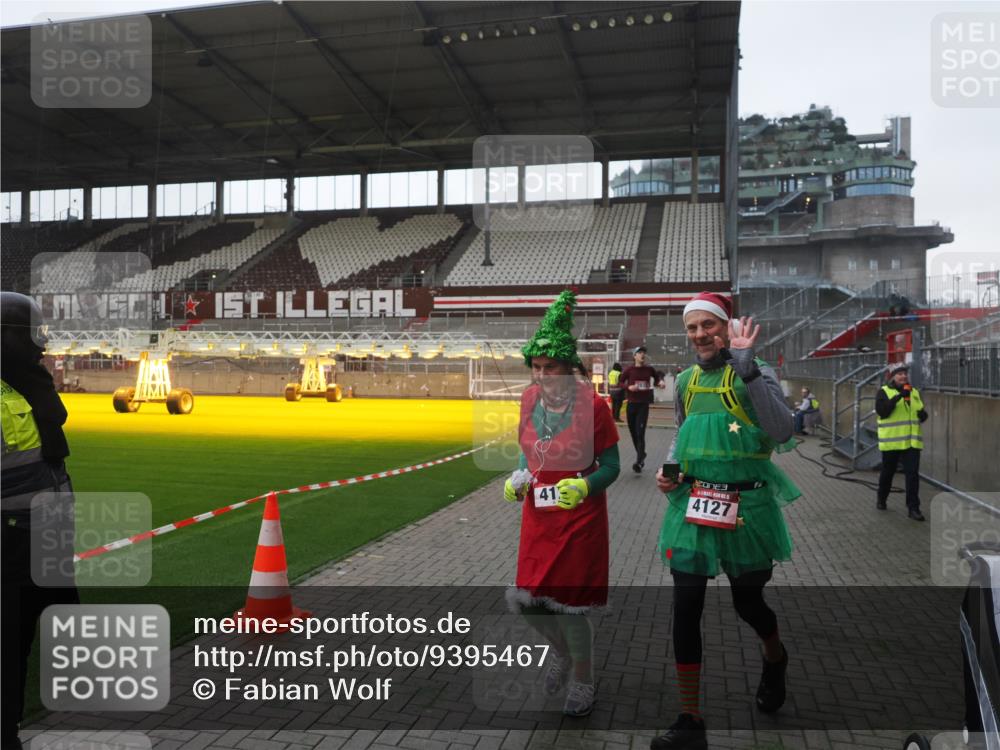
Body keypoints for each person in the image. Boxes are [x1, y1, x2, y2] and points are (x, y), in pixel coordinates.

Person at [649, 292, 800, 750]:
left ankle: (775, 658)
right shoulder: (687, 381)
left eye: (708, 325)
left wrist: (749, 367)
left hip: (748, 512)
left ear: (725, 326)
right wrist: (669, 472)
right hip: (695, 505)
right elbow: (682, 432)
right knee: (685, 605)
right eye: (692, 327)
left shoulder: (756, 372)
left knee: (748, 604)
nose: (700, 334)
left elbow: (783, 430)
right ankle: (690, 719)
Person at [503, 290, 620, 717]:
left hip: (579, 521)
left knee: (571, 609)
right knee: (531, 603)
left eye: (549, 367)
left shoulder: (595, 406)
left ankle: (584, 679)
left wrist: (585, 487)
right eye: (535, 367)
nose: (541, 375)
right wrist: (517, 477)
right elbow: (526, 449)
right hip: (538, 517)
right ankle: (561, 652)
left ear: (569, 367)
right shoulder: (529, 400)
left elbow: (612, 467)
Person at [1, 292, 79, 750]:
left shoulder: (29, 390)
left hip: (45, 544)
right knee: (8, 654)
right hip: (9, 551)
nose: (41, 348)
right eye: (31, 337)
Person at [875, 363, 927, 521]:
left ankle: (913, 508)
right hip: (892, 442)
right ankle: (881, 498)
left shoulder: (915, 392)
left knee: (912, 475)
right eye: (899, 374)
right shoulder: (883, 392)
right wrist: (899, 396)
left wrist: (922, 415)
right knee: (888, 473)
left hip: (911, 442)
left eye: (905, 373)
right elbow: (882, 412)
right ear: (892, 377)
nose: (903, 376)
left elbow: (920, 413)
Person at [621, 346, 666, 473]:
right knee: (633, 433)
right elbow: (619, 382)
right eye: (639, 353)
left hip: (643, 405)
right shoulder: (629, 370)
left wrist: (660, 383)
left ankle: (639, 461)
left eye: (644, 353)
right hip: (631, 405)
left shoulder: (649, 369)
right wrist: (628, 387)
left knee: (640, 433)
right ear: (634, 356)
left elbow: (657, 378)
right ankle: (642, 454)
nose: (642, 355)